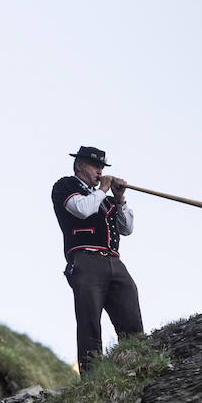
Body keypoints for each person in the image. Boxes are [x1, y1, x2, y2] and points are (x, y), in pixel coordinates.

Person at [51, 146, 143, 373]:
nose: (100, 171)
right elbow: (82, 210)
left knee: (131, 316)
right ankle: (91, 377)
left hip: (114, 261)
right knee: (89, 321)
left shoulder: (105, 199)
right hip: (85, 260)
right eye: (95, 166)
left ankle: (137, 366)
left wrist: (119, 199)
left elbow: (127, 228)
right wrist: (103, 189)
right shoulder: (65, 186)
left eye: (101, 167)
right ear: (79, 166)